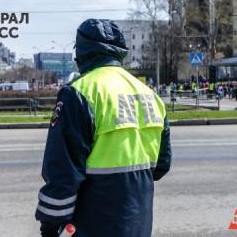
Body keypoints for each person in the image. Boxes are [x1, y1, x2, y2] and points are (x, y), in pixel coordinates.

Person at [35, 19, 172, 237]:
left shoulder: (79, 93)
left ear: (82, 52)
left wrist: (50, 226)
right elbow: (162, 165)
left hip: (92, 224)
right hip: (138, 224)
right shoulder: (150, 95)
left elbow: (63, 172)